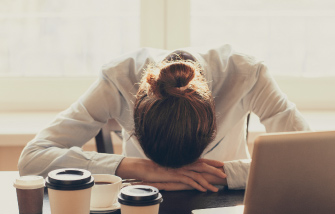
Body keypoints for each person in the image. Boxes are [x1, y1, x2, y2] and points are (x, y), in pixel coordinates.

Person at [18, 44, 311, 191]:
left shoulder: (247, 74)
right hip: (144, 196)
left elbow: (311, 159)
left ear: (212, 117)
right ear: (137, 116)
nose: (180, 174)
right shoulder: (119, 78)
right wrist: (136, 167)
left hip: (225, 201)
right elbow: (33, 158)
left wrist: (223, 174)